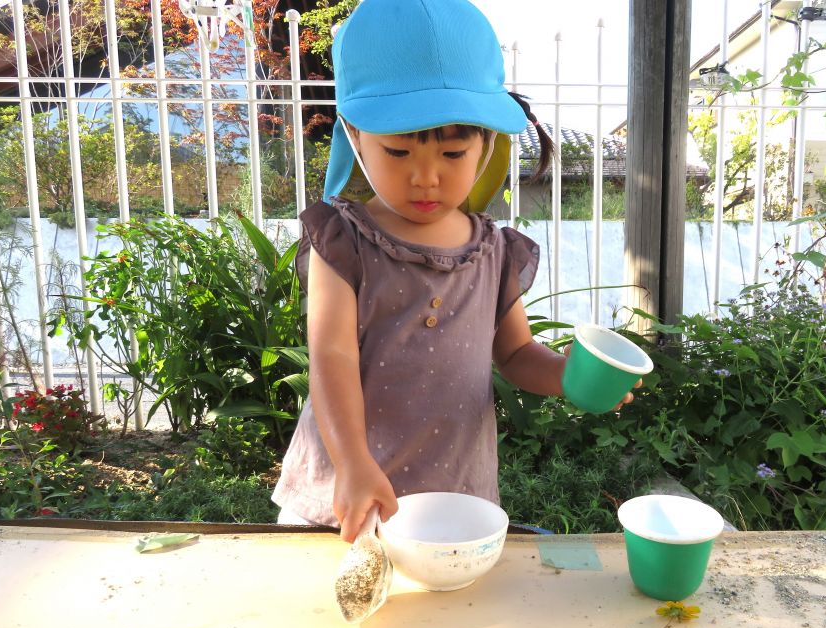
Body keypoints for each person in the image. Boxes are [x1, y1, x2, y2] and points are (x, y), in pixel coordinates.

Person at [272, 0, 639, 542]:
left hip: (451, 502)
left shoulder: (493, 251)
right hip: (343, 498)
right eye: (398, 153)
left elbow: (515, 354)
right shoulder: (343, 240)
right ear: (353, 135)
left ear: (486, 142)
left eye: (452, 153)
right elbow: (332, 355)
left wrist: (566, 377)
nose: (425, 178)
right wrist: (351, 462)